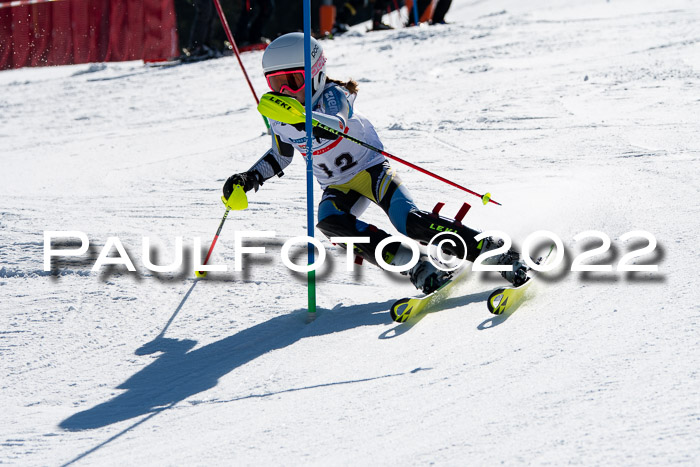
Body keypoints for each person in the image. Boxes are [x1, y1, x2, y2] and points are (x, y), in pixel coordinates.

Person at [222, 33, 526, 294]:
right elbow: (281, 154)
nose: (285, 92)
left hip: (371, 171)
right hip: (337, 185)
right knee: (330, 223)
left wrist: (303, 119)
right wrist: (248, 178)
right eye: (276, 84)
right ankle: (417, 267)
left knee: (409, 220)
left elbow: (338, 124)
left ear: (315, 73)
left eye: (293, 81)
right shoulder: (280, 113)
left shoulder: (333, 95)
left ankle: (493, 251)